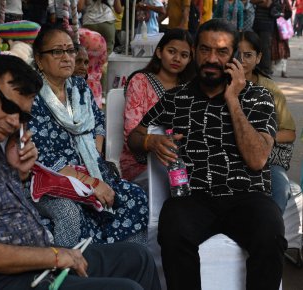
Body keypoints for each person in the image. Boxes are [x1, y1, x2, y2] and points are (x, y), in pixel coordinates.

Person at [0, 54, 161, 290]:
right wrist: (55, 256)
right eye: (8, 107)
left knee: (137, 258)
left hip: (30, 263)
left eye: (23, 116)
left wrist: (15, 174)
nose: (14, 122)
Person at [128, 19, 286, 290]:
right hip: (194, 197)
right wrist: (150, 142)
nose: (212, 59)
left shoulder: (259, 97)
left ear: (234, 57)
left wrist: (233, 100)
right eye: (205, 50)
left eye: (222, 52)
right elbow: (134, 137)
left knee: (270, 232)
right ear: (195, 51)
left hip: (248, 197)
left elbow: (258, 159)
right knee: (172, 228)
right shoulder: (177, 98)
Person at [29, 26, 149, 247]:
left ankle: (128, 264)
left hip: (92, 170)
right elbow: (43, 157)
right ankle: (77, 274)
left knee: (135, 197)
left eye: (70, 50)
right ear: (39, 58)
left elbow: (98, 126)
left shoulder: (79, 87)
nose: (66, 57)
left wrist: (92, 161)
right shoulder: (32, 96)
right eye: (57, 52)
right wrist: (90, 181)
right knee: (72, 213)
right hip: (54, 180)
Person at [120, 29, 194, 190]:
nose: (177, 59)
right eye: (171, 51)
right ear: (159, 52)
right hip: (142, 164)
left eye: (184, 55)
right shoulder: (140, 81)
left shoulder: (189, 88)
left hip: (182, 162)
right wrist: (152, 141)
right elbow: (131, 133)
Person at [239, 30, 296, 212]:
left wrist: (260, 138)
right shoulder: (219, 84)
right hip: (229, 156)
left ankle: (271, 233)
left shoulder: (269, 88)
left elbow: (289, 133)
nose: (242, 60)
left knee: (280, 189)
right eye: (237, 54)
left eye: (248, 55)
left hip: (267, 161)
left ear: (258, 58)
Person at [251, 0, 275, 75]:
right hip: (256, 23)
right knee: (256, 46)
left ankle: (266, 70)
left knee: (265, 48)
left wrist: (257, 2)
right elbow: (251, 1)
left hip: (266, 25)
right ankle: (257, 67)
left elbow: (267, 4)